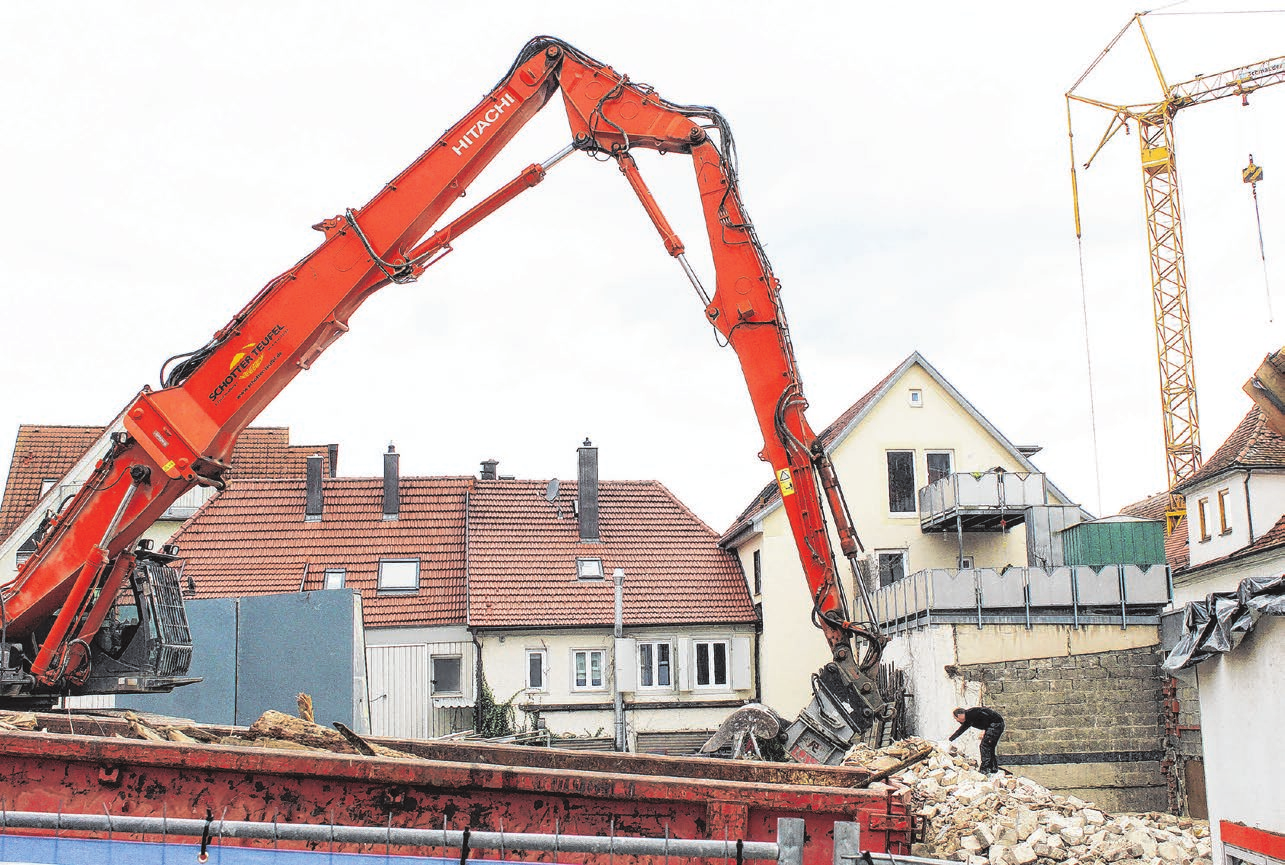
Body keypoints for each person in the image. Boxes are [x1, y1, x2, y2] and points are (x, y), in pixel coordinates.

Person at [948, 706, 1005, 774]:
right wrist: (950, 739)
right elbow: (961, 730)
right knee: (990, 746)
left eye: (956, 718)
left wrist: (985, 730)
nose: (957, 720)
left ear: (960, 716)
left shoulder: (972, 713)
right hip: (995, 725)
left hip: (995, 725)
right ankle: (993, 768)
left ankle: (984, 769)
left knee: (985, 746)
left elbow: (987, 717)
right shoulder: (968, 718)